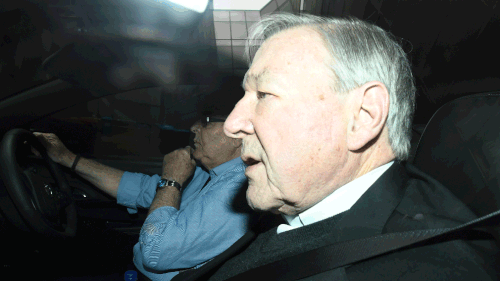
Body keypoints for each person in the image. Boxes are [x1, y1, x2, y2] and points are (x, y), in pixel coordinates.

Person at [174, 13, 498, 280]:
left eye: (263, 95)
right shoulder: (302, 200)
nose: (232, 123)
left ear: (362, 117)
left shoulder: (421, 271)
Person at [34, 81, 260, 280]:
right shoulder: (208, 172)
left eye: (206, 122)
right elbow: (141, 189)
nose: (194, 128)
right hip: (137, 262)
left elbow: (156, 254)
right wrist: (68, 159)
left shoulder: (238, 189)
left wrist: (172, 180)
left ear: (239, 134)